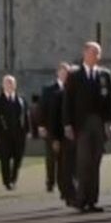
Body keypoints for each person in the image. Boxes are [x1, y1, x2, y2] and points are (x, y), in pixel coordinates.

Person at [63, 42, 111, 213]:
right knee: (83, 162)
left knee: (96, 161)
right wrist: (67, 124)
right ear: (85, 53)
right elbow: (67, 102)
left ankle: (92, 200)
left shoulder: (104, 75)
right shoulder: (74, 75)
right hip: (81, 124)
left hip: (99, 123)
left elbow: (110, 101)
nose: (96, 56)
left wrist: (110, 122)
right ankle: (81, 199)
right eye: (93, 52)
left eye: (98, 53)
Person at [41, 63, 76, 204]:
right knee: (52, 158)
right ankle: (50, 182)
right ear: (58, 73)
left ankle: (65, 190)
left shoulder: (73, 89)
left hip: (67, 132)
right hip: (53, 130)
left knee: (65, 163)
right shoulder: (49, 90)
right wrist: (43, 127)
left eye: (67, 72)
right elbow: (44, 110)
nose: (65, 75)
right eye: (63, 72)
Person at [0, 75, 29, 191]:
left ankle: (13, 179)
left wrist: (28, 131)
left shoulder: (21, 101)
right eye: (7, 83)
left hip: (19, 135)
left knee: (18, 159)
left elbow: (26, 117)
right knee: (4, 159)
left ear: (15, 85)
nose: (9, 85)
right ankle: (6, 182)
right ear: (3, 85)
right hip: (3, 135)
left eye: (11, 83)